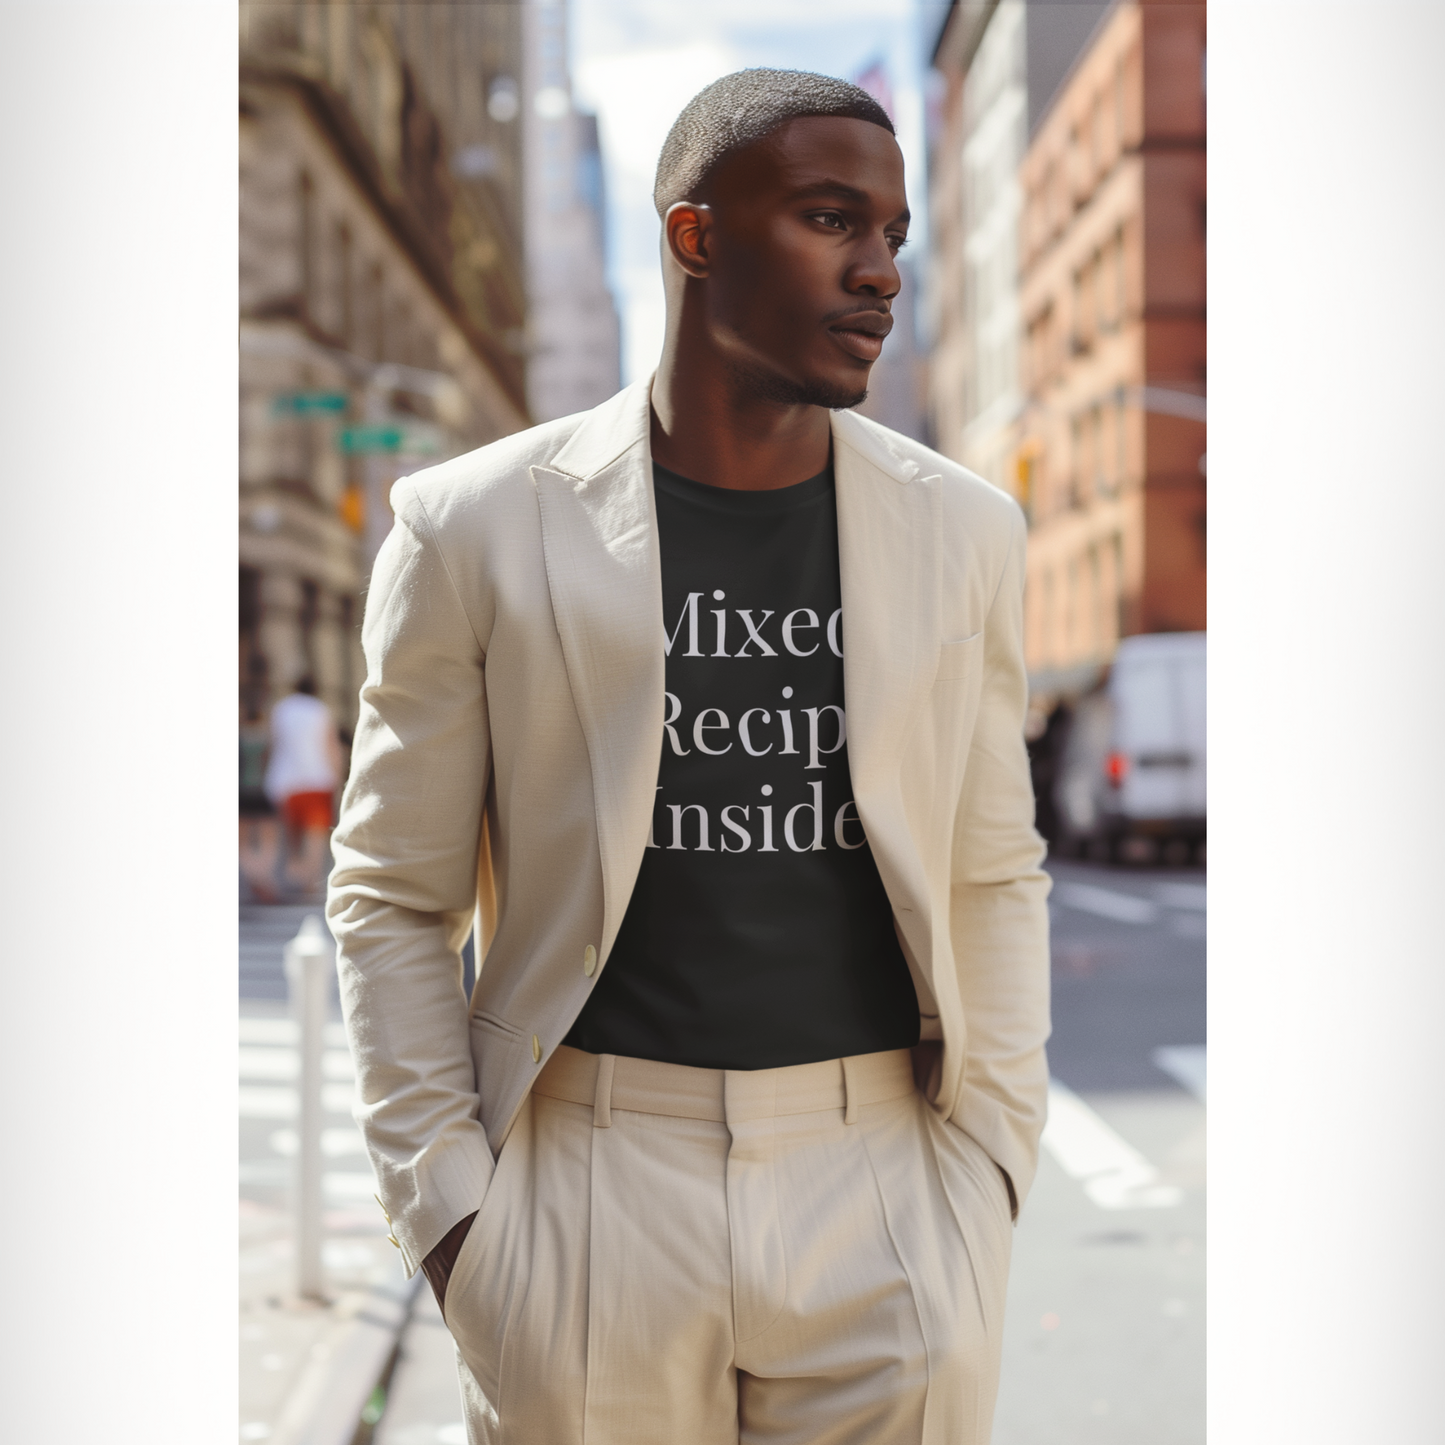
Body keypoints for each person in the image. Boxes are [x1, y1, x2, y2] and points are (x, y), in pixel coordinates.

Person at [329, 69, 1050, 1445]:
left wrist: (986, 1178)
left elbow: (992, 872)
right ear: (695, 236)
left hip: (885, 1185)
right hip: (590, 1193)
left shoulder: (964, 532)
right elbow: (391, 897)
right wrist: (454, 1220)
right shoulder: (468, 526)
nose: (880, 274)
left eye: (893, 234)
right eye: (833, 220)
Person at [265, 676, 341, 899]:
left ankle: (295, 873)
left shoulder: (281, 709)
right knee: (315, 834)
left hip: (285, 781)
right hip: (317, 779)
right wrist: (337, 777)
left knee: (292, 834)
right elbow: (330, 745)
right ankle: (309, 880)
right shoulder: (320, 709)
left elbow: (273, 743)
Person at [239, 704, 279, 902]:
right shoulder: (266, 740)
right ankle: (262, 878)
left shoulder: (238, 739)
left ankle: (254, 877)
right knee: (268, 840)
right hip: (264, 791)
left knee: (242, 842)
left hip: (242, 793)